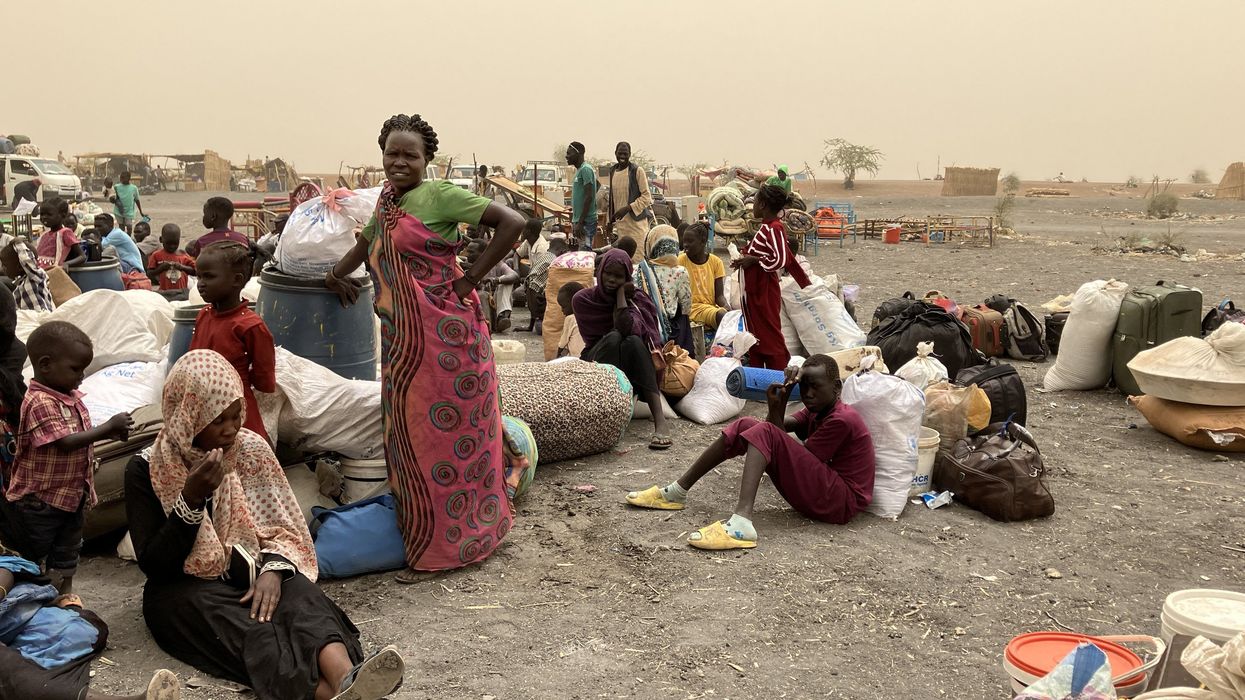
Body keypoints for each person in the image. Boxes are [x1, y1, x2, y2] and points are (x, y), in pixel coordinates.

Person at [125, 350, 405, 700]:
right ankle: (328, 694)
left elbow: (284, 528)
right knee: (253, 630)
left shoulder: (250, 449)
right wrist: (191, 501)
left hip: (253, 568)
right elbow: (155, 565)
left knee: (299, 595)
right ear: (189, 416)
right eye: (217, 420)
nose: (231, 429)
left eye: (235, 415)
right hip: (184, 588)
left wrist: (274, 570)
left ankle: (347, 678)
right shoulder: (149, 468)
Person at [323, 114, 530, 580]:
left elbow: (513, 222)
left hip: (448, 338)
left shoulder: (440, 195)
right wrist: (336, 273)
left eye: (409, 155)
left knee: (450, 437)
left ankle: (455, 543)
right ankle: (426, 535)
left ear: (426, 160)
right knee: (410, 436)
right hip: (402, 340)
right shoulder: (387, 201)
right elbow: (368, 243)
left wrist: (469, 279)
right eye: (391, 154)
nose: (398, 162)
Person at [625, 354, 875, 550]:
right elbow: (775, 433)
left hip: (841, 502)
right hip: (825, 492)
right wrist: (779, 403)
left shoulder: (841, 419)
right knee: (746, 424)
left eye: (815, 387)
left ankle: (742, 521)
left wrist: (773, 421)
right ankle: (676, 492)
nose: (808, 394)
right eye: (804, 388)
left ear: (836, 387)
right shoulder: (817, 409)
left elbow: (790, 453)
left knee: (762, 432)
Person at [0, 322, 133, 594]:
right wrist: (107, 428)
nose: (82, 376)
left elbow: (80, 437)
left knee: (68, 551)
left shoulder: (70, 397)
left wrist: (112, 434)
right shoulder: (39, 401)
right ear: (45, 365)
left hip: (71, 497)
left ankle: (64, 594)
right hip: (40, 501)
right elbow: (64, 443)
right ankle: (26, 595)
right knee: (31, 552)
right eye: (76, 369)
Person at [0, 552, 183, 700]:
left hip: (25, 619)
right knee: (12, 672)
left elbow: (7, 569)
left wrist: (64, 605)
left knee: (86, 629)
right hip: (12, 638)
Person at [572, 248, 671, 450]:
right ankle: (604, 416)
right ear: (599, 271)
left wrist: (621, 297)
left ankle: (660, 420)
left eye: (618, 276)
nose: (611, 280)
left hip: (629, 365)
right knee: (615, 337)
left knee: (633, 341)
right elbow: (606, 334)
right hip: (597, 361)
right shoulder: (583, 299)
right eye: (607, 273)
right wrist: (621, 299)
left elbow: (629, 329)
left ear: (627, 278)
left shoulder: (636, 299)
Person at [188, 243, 274, 444]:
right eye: (198, 276)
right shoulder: (203, 315)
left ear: (237, 280)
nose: (200, 283)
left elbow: (264, 378)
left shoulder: (250, 326)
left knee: (244, 454)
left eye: (208, 276)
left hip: (236, 411)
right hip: (202, 404)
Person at [733, 184, 810, 369]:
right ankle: (759, 378)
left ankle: (780, 377)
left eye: (756, 202)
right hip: (755, 288)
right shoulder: (767, 227)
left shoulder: (774, 228)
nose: (753, 206)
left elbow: (781, 259)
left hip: (764, 289)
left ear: (764, 205)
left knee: (769, 335)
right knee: (756, 334)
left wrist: (754, 261)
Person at [635, 225, 694, 353]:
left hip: (644, 327)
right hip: (672, 330)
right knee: (683, 316)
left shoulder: (639, 270)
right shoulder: (680, 272)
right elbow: (686, 307)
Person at [678, 222, 728, 330]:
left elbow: (719, 296)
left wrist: (727, 307)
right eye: (684, 241)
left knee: (728, 315)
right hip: (690, 309)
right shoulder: (680, 261)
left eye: (690, 241)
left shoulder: (716, 262)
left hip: (709, 308)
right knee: (721, 316)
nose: (685, 244)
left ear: (703, 241)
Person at [605, 142, 652, 255]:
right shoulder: (613, 171)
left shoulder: (637, 171)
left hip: (636, 226)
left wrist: (627, 208)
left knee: (637, 257)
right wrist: (609, 221)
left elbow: (646, 197)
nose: (622, 156)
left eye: (625, 154)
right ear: (615, 153)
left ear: (630, 154)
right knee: (624, 259)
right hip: (621, 227)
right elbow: (612, 199)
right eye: (620, 153)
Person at [465, 239, 518, 333]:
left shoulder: (495, 263)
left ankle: (502, 317)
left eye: (471, 252)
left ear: (483, 253)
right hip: (474, 302)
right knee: (482, 294)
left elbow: (514, 275)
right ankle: (489, 324)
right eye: (468, 252)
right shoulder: (465, 265)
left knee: (506, 283)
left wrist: (496, 280)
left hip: (494, 302)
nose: (467, 255)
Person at [516, 217, 552, 333]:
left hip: (540, 279)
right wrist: (516, 270)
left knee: (521, 293)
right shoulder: (528, 241)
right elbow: (516, 254)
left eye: (524, 228)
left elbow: (540, 274)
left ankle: (538, 316)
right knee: (510, 263)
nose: (522, 230)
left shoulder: (542, 247)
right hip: (532, 275)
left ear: (529, 231)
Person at [1, 239, 54, 312]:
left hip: (40, 319)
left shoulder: (35, 277)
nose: (2, 268)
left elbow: (27, 261)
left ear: (19, 267)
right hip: (29, 320)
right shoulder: (19, 287)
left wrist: (18, 243)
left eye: (5, 265)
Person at [34, 198, 85, 270]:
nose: (44, 217)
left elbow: (82, 256)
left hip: (54, 272)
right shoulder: (44, 235)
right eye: (42, 214)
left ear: (63, 215)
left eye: (49, 214)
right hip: (40, 271)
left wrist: (66, 263)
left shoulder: (65, 232)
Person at [565, 142, 598, 250]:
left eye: (569, 153)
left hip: (585, 222)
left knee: (585, 254)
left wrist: (580, 222)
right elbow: (597, 186)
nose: (566, 156)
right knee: (579, 253)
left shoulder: (586, 169)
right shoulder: (579, 170)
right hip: (580, 221)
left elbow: (589, 196)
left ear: (578, 153)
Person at [147, 224, 196, 292]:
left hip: (181, 292)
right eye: (168, 243)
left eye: (175, 243)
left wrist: (182, 267)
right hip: (165, 292)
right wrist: (161, 268)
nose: (172, 246)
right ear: (161, 240)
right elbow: (149, 273)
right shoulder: (156, 255)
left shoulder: (183, 255)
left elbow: (195, 271)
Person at [556, 281, 586, 358]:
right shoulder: (589, 315)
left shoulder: (570, 319)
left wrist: (555, 359)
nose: (562, 310)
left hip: (575, 359)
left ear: (575, 303)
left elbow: (562, 344)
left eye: (564, 307)